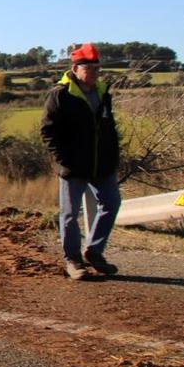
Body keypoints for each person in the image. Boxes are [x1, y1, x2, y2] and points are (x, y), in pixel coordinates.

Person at [41, 42, 122, 281]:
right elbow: (48, 131)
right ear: (75, 68)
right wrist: (62, 161)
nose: (95, 73)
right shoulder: (60, 94)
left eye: (97, 68)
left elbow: (109, 127)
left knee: (112, 203)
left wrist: (113, 156)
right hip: (73, 166)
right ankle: (73, 260)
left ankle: (94, 252)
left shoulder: (102, 92)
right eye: (89, 68)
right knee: (69, 214)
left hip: (102, 165)